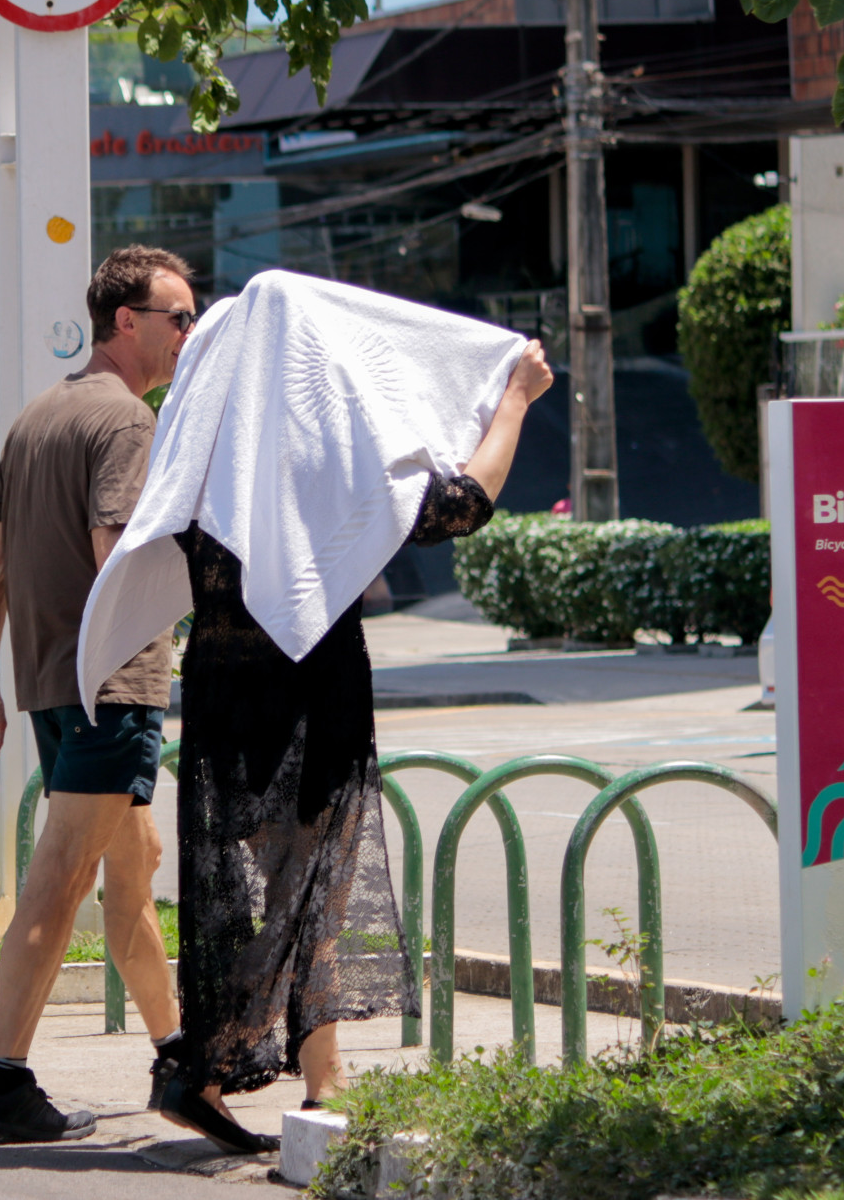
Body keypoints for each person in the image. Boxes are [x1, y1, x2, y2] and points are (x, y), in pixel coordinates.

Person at [73, 271, 553, 1154]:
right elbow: (460, 504)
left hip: (221, 686)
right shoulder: (327, 444)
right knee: (317, 881)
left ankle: (288, 1071)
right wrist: (515, 399)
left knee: (264, 886)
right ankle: (223, 1068)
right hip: (312, 686)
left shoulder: (206, 439)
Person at [0, 246, 196, 1143]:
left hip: (55, 687)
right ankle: (0, 1086)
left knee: (131, 878)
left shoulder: (35, 419)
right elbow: (116, 550)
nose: (187, 335)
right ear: (125, 322)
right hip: (114, 689)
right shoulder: (128, 423)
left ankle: (177, 1057)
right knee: (58, 885)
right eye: (178, 318)